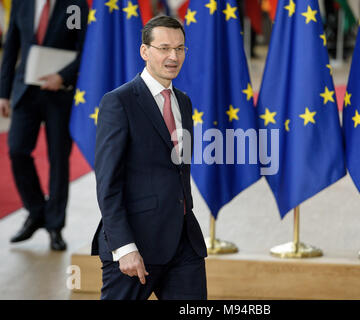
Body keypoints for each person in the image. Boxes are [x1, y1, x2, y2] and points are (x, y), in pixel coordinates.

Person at [91, 15, 208, 300]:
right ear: (145, 51)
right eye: (164, 48)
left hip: (184, 243)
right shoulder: (119, 102)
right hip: (136, 246)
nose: (173, 56)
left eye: (180, 49)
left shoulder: (183, 101)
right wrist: (125, 246)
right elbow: (108, 183)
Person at [0, 0, 88, 250]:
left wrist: (63, 76)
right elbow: (11, 46)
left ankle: (55, 226)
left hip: (60, 94)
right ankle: (37, 211)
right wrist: (3, 93)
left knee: (58, 160)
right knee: (16, 151)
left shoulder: (75, 6)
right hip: (24, 90)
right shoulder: (21, 3)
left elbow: (85, 49)